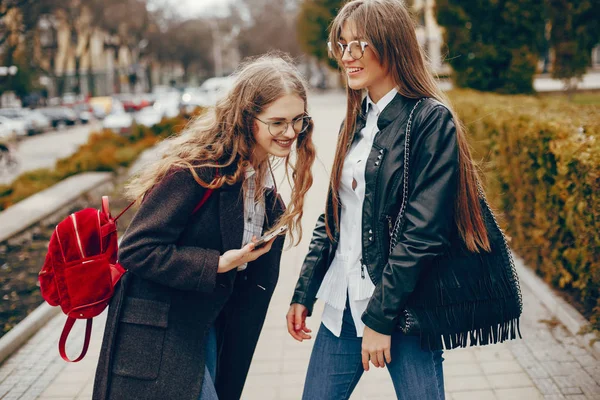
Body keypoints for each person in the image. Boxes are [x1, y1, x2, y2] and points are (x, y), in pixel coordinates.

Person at [287, 1, 521, 399]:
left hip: (403, 307)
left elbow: (422, 232)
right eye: (340, 45)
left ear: (391, 44)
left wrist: (379, 319)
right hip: (343, 301)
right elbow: (334, 216)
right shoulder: (355, 120)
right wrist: (304, 291)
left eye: (358, 44)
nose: (347, 56)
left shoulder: (431, 120)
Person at [93, 53, 316, 400]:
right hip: (161, 336)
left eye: (298, 120)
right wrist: (217, 263)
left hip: (206, 331)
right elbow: (136, 250)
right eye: (278, 122)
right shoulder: (198, 171)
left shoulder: (261, 188)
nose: (290, 133)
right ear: (247, 119)